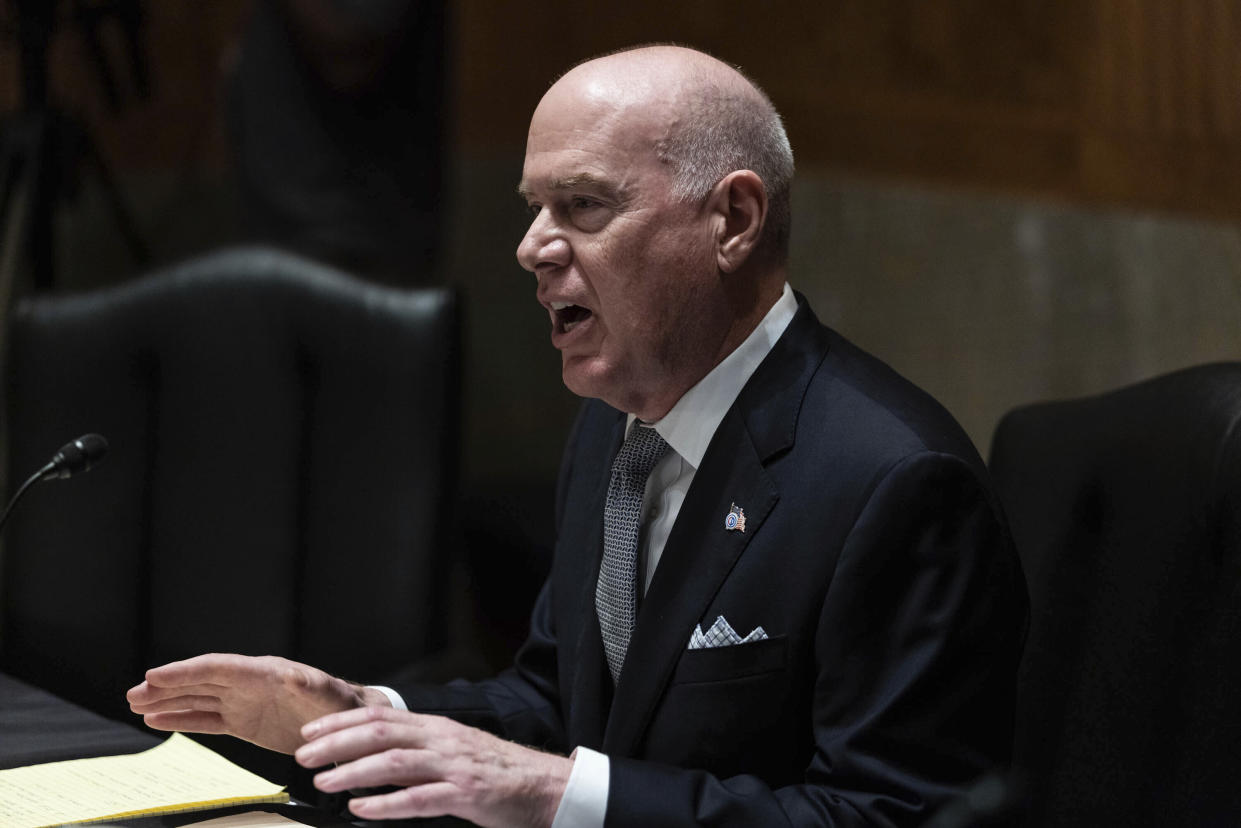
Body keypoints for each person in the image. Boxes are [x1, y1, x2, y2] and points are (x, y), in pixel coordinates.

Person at [127, 44, 1027, 827]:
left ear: (734, 221)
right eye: (534, 206)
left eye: (583, 206)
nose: (531, 246)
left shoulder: (895, 482)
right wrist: (366, 714)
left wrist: (558, 798)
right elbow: (560, 701)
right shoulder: (615, 432)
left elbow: (892, 816)